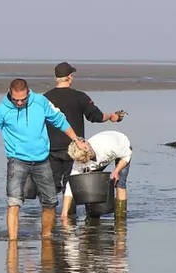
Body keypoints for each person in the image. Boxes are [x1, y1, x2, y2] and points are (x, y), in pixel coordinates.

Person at [0, 78, 89, 240]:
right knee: (14, 202)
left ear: (28, 92)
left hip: (42, 160)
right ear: (10, 94)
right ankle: (12, 243)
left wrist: (76, 140)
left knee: (51, 202)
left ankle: (46, 238)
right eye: (16, 99)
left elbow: (59, 120)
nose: (19, 103)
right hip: (17, 161)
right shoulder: (2, 110)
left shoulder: (40, 102)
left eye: (23, 99)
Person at [43, 62, 124, 201]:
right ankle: (70, 217)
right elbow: (96, 117)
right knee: (72, 185)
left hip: (51, 148)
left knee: (51, 186)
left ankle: (50, 216)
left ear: (56, 77)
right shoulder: (80, 97)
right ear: (70, 77)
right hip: (75, 148)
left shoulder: (44, 99)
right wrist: (111, 116)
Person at [61, 130, 133, 220]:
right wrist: (64, 213)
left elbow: (126, 156)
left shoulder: (108, 147)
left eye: (83, 159)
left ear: (88, 152)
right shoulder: (79, 161)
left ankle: (120, 218)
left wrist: (116, 171)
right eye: (79, 161)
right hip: (101, 159)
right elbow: (70, 185)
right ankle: (92, 217)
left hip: (122, 148)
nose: (82, 162)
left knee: (120, 184)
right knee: (90, 184)